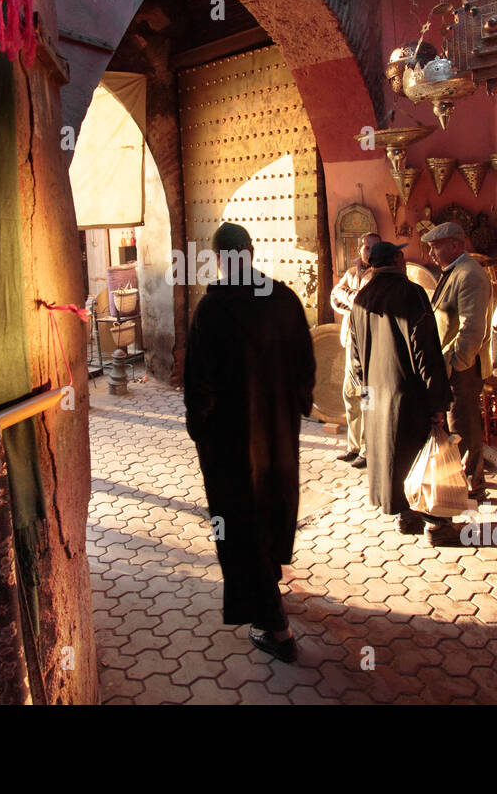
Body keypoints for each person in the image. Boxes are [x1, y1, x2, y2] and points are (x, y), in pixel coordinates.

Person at [184, 222, 315, 663]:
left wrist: (200, 428)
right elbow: (305, 367)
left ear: (220, 257)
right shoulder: (284, 299)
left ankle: (275, 629)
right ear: (252, 251)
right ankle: (271, 578)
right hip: (277, 436)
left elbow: (199, 384)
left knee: (239, 523)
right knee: (273, 508)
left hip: (233, 444)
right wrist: (294, 407)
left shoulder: (213, 311)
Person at [348, 241, 453, 535]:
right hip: (410, 397)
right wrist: (438, 403)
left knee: (391, 456)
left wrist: (365, 395)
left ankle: (405, 517)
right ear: (396, 259)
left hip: (376, 396)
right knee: (421, 455)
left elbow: (356, 358)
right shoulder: (412, 293)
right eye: (402, 255)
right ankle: (436, 523)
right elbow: (426, 352)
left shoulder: (361, 299)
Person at [420, 222, 493, 519]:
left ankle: (471, 489)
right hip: (451, 365)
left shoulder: (470, 274)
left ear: (455, 245)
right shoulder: (456, 271)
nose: (431, 252)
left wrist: (454, 365)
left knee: (463, 426)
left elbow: (472, 328)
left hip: (462, 367)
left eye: (436, 246)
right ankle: (463, 484)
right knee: (457, 425)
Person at [329, 232, 381, 469]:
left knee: (367, 397)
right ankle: (354, 447)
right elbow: (334, 296)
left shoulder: (380, 276)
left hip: (370, 346)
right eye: (364, 247)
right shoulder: (351, 274)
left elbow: (366, 301)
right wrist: (353, 299)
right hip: (351, 343)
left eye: (370, 247)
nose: (365, 250)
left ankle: (369, 449)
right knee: (350, 395)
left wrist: (349, 299)